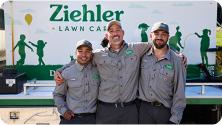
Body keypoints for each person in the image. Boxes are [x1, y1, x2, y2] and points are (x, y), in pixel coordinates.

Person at [54, 20, 187, 124]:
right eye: (111, 31)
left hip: (129, 111)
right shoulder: (98, 55)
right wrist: (60, 70)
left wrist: (178, 54)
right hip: (105, 111)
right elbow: (82, 59)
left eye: (118, 30)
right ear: (107, 35)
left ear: (123, 33)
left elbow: (159, 45)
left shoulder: (137, 49)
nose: (115, 33)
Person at [138, 22, 186, 124]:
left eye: (163, 34)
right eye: (156, 34)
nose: (159, 37)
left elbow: (179, 92)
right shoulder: (142, 56)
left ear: (168, 37)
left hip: (164, 112)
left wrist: (175, 119)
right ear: (151, 36)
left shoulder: (177, 60)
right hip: (143, 111)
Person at [53, 40, 100, 124]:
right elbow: (58, 95)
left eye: (87, 51)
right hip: (72, 118)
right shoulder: (66, 73)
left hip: (93, 119)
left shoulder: (98, 70)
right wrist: (64, 111)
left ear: (91, 54)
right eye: (80, 51)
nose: (84, 55)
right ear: (75, 53)